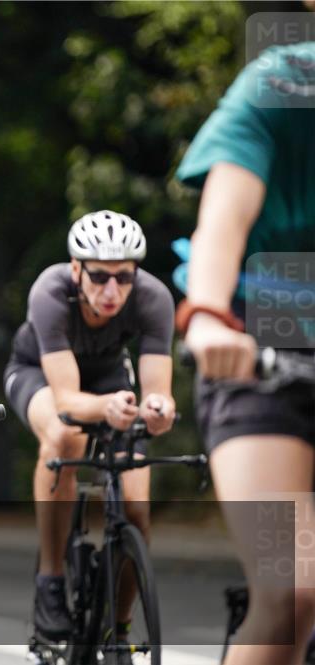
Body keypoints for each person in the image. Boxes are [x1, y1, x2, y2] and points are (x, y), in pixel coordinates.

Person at [176, 40, 315, 665]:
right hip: (262, 348)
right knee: (292, 589)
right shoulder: (283, 83)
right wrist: (207, 316)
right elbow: (224, 221)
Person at [3, 211, 176, 650]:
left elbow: (159, 394)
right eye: (99, 277)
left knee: (137, 506)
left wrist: (159, 410)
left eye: (124, 276)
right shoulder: (50, 292)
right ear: (77, 269)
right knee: (65, 437)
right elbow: (67, 402)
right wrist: (108, 409)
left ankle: (117, 630)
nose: (112, 290)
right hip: (39, 375)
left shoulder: (154, 298)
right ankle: (51, 580)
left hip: (110, 381)